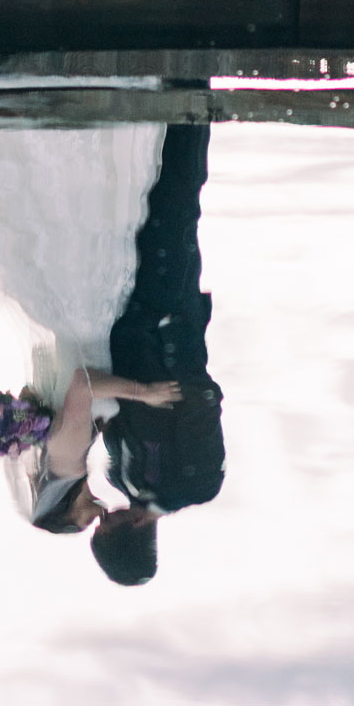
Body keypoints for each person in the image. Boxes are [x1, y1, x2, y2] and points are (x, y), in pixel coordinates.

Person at [0, 124, 181, 531]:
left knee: (87, 215)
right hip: (67, 318)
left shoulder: (66, 462)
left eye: (82, 521)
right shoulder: (55, 454)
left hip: (85, 316)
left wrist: (146, 394)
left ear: (64, 508)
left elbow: (83, 385)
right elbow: (43, 359)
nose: (95, 516)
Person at [91, 124, 226, 587]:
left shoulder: (118, 481)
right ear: (127, 534)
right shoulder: (196, 486)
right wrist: (156, 386)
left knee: (133, 204)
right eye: (104, 528)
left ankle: (151, 109)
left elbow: (116, 416)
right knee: (175, 206)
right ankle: (189, 107)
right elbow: (206, 402)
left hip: (124, 322)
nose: (99, 518)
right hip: (169, 320)